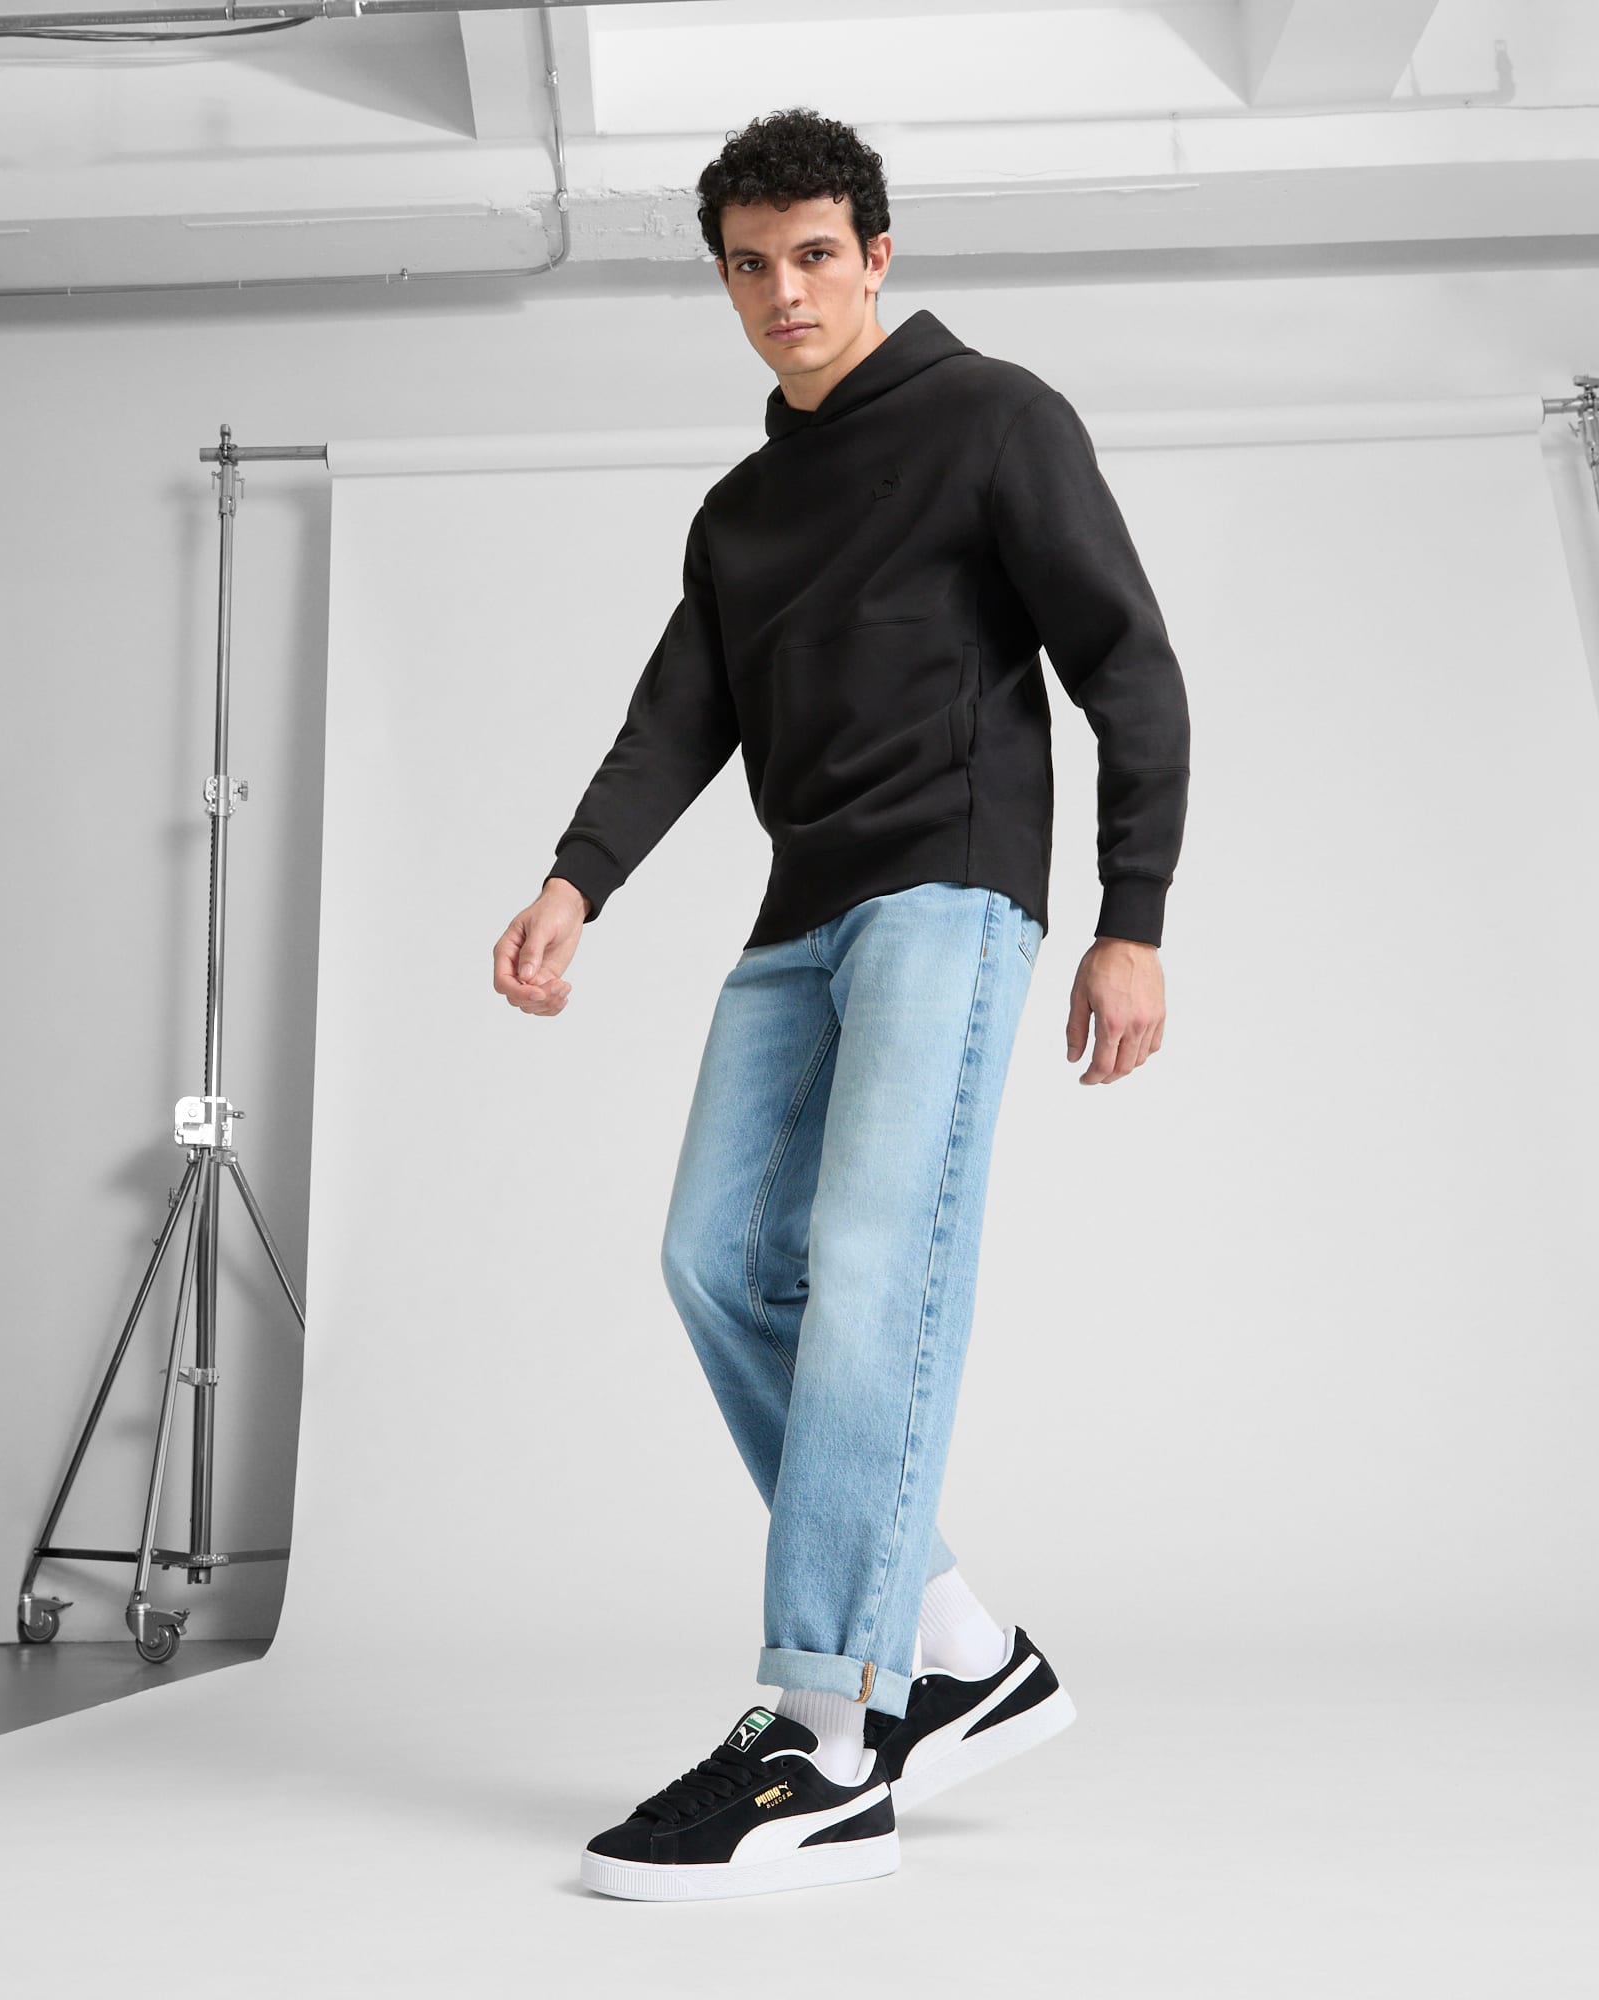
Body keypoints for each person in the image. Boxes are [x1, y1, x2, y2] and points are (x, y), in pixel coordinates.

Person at [493, 107, 1190, 1903]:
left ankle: (827, 1730)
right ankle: (954, 1641)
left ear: (877, 254)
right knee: (716, 1261)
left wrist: (1130, 918)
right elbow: (678, 714)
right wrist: (575, 882)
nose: (784, 292)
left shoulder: (995, 420)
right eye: (750, 265)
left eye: (815, 255)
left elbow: (1127, 663)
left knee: (875, 1265)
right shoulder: (741, 512)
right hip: (798, 917)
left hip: (949, 893)